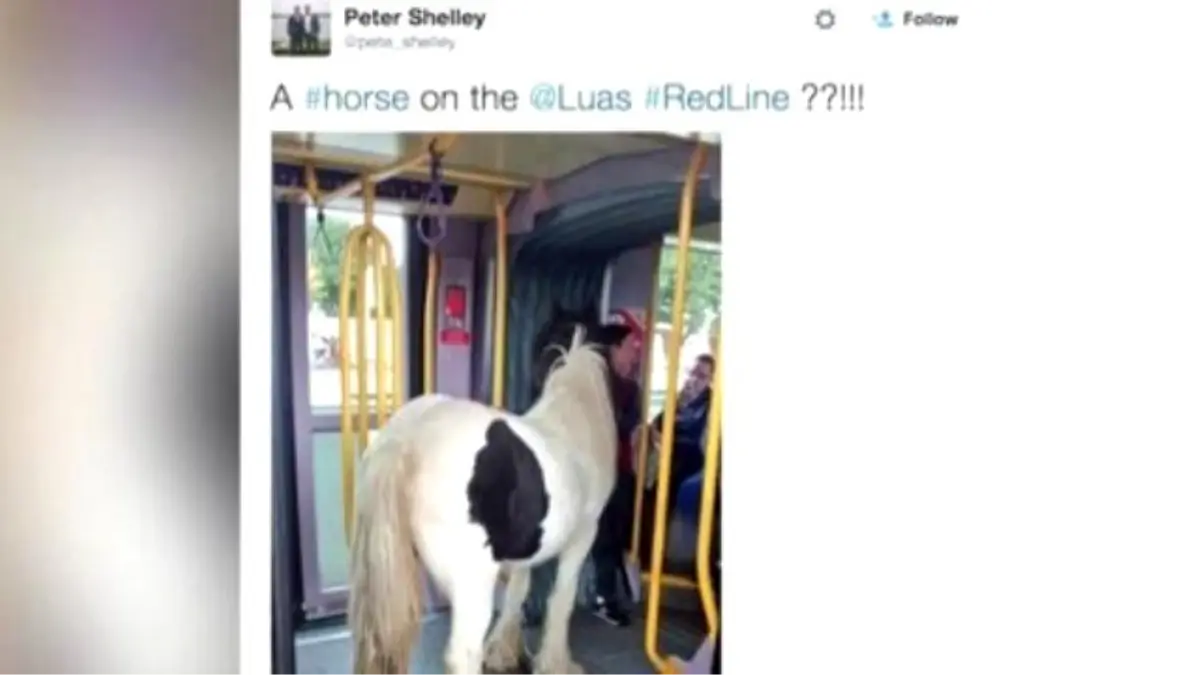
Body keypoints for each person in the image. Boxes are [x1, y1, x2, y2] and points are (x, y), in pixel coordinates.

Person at [588, 319, 644, 627]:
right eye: (630, 348)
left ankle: (608, 594)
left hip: (620, 470)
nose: (635, 355)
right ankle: (604, 598)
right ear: (614, 349)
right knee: (604, 538)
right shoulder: (599, 385)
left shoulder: (628, 388)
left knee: (614, 535)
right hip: (600, 471)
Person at [639, 354, 715, 564]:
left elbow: (708, 443)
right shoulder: (679, 399)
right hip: (670, 457)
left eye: (701, 376)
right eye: (692, 373)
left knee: (675, 485)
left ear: (710, 381)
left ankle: (668, 554)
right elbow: (658, 424)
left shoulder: (713, 407)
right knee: (648, 487)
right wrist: (655, 435)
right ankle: (647, 551)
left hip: (695, 462)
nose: (693, 379)